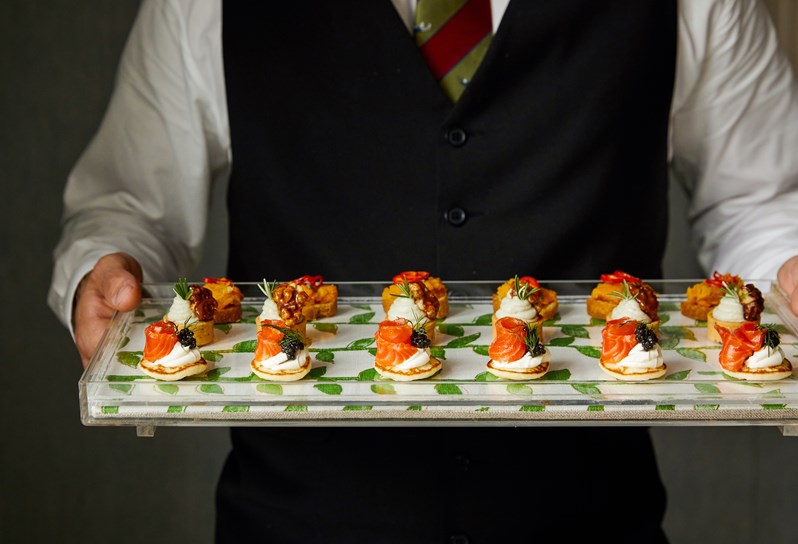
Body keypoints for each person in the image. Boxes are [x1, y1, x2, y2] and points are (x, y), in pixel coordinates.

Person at [49, 1, 798, 542]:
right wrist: (108, 269)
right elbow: (130, 206)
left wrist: (789, 266)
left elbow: (762, 200)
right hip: (296, 520)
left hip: (589, 518)